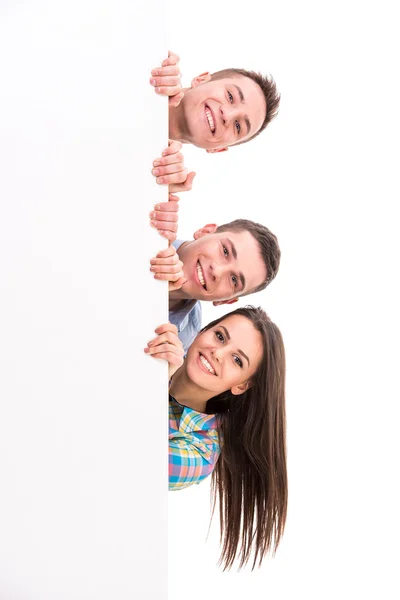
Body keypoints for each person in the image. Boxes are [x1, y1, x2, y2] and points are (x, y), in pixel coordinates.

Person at [144, 306, 287, 570]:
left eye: (237, 360)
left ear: (242, 385)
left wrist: (149, 380)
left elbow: (122, 456)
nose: (218, 353)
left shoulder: (200, 453)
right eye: (220, 337)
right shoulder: (157, 333)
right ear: (202, 330)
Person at [149, 51, 281, 152]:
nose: (227, 115)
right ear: (201, 79)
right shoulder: (152, 60)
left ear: (218, 149)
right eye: (230, 96)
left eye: (238, 126)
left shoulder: (156, 178)